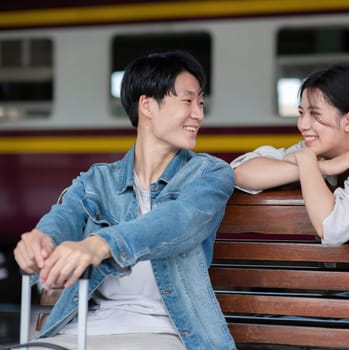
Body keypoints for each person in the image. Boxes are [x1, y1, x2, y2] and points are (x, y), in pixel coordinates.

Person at [13, 51, 236, 349]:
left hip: (167, 332)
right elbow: (64, 216)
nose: (198, 114)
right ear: (147, 106)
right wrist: (40, 239)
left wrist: (100, 245)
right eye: (187, 101)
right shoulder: (97, 180)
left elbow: (180, 220)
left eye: (200, 103)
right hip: (81, 329)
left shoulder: (210, 174)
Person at [231, 63, 349, 245]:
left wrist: (307, 162)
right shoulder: (313, 153)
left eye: (315, 115)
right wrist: (321, 167)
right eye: (301, 113)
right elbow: (240, 173)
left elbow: (330, 228)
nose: (302, 125)